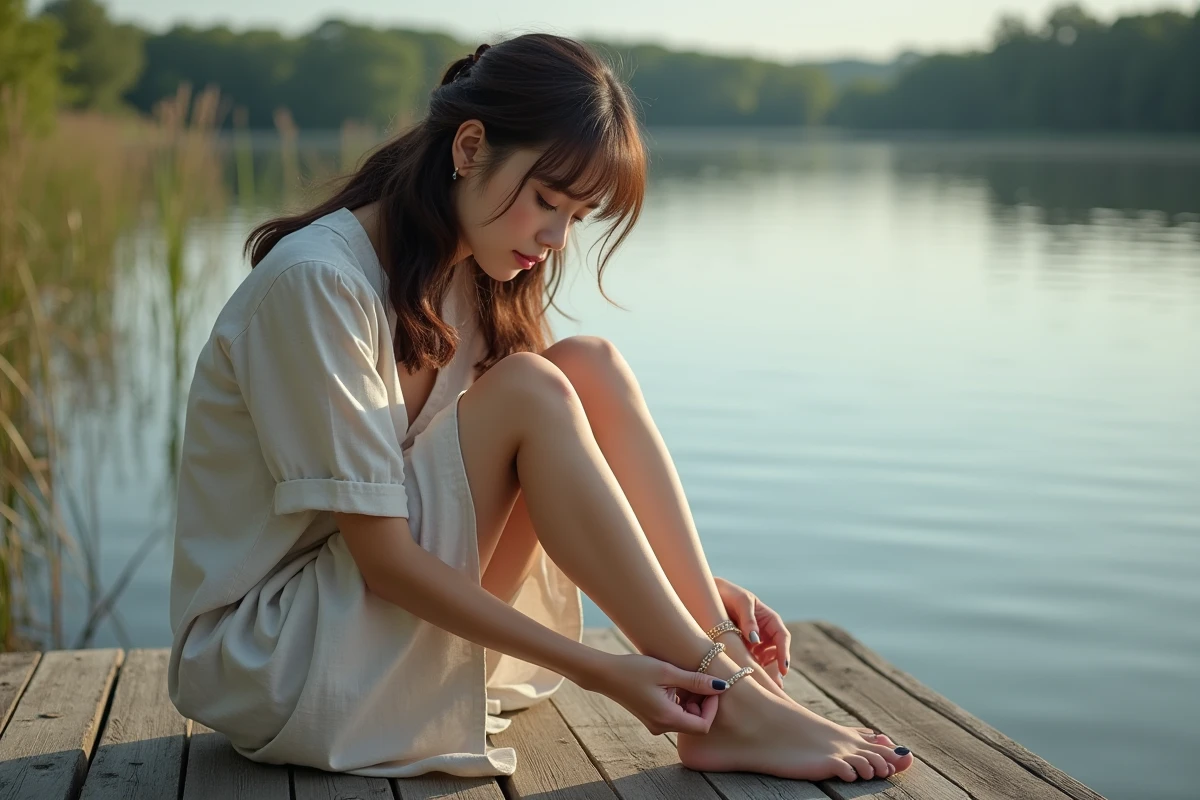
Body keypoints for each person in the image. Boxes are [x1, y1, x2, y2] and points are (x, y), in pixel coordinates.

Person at [167, 33, 915, 783]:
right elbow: (385, 561)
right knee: (534, 386)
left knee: (588, 365)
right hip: (282, 660)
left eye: (578, 216)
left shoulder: (472, 273)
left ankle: (714, 655)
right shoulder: (320, 284)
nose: (555, 239)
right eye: (547, 201)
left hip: (381, 627)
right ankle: (730, 697)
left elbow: (557, 471)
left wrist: (696, 590)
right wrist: (601, 669)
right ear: (469, 147)